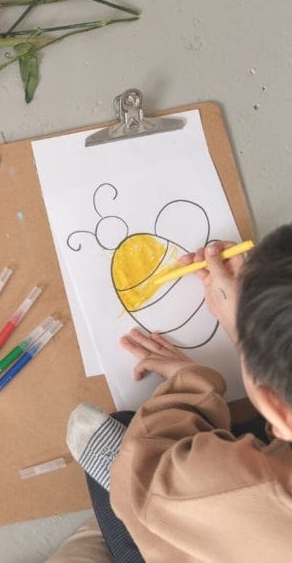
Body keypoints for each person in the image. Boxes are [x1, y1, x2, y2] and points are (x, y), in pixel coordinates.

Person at [53, 229, 292, 562]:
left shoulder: (233, 489)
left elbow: (153, 481)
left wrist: (190, 382)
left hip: (196, 508)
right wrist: (257, 336)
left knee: (136, 450)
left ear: (277, 409)